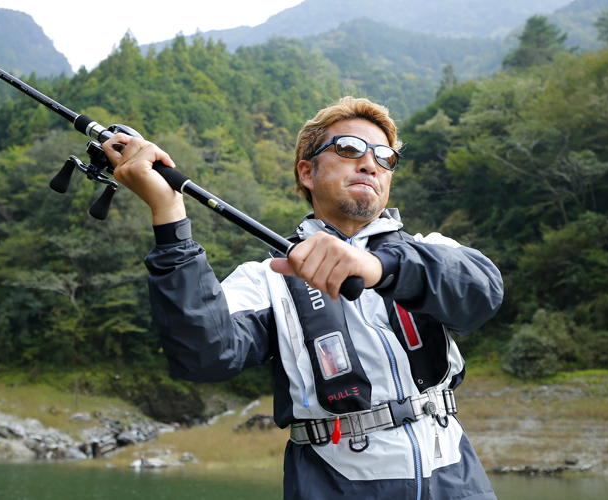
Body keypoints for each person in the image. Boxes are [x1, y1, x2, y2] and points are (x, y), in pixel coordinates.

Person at [103, 96, 503, 500]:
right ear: (307, 172)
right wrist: (168, 211)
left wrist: (378, 267)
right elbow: (203, 354)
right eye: (349, 149)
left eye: (384, 158)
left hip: (458, 482)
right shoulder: (267, 279)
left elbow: (484, 291)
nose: (370, 164)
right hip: (333, 485)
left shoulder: (429, 249)